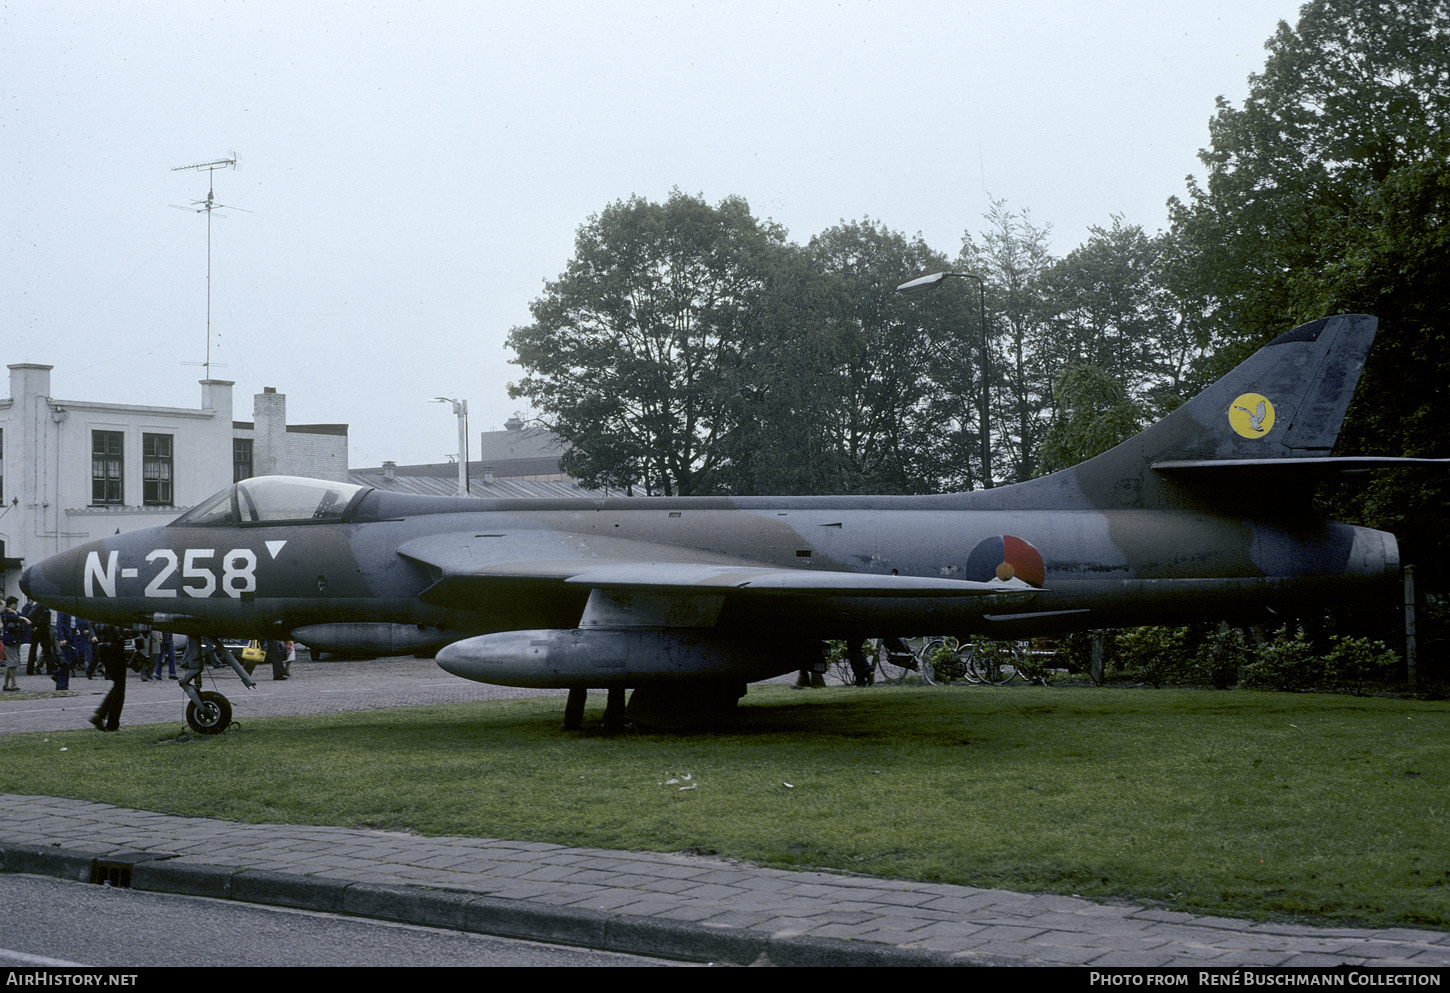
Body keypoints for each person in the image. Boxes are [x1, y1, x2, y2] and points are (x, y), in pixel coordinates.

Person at [90, 622, 130, 731]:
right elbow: (119, 633)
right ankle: (110, 722)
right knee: (120, 688)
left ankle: (101, 716)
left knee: (118, 686)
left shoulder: (98, 614)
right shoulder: (112, 615)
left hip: (103, 648)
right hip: (115, 649)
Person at [2, 597, 30, 692]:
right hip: (9, 640)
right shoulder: (5, 614)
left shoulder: (15, 613)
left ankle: (6, 684)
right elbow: (10, 618)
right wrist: (19, 617)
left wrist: (17, 614)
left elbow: (23, 616)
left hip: (16, 640)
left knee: (12, 662)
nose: (16, 605)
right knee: (12, 662)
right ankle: (13, 683)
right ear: (9, 605)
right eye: (14, 604)